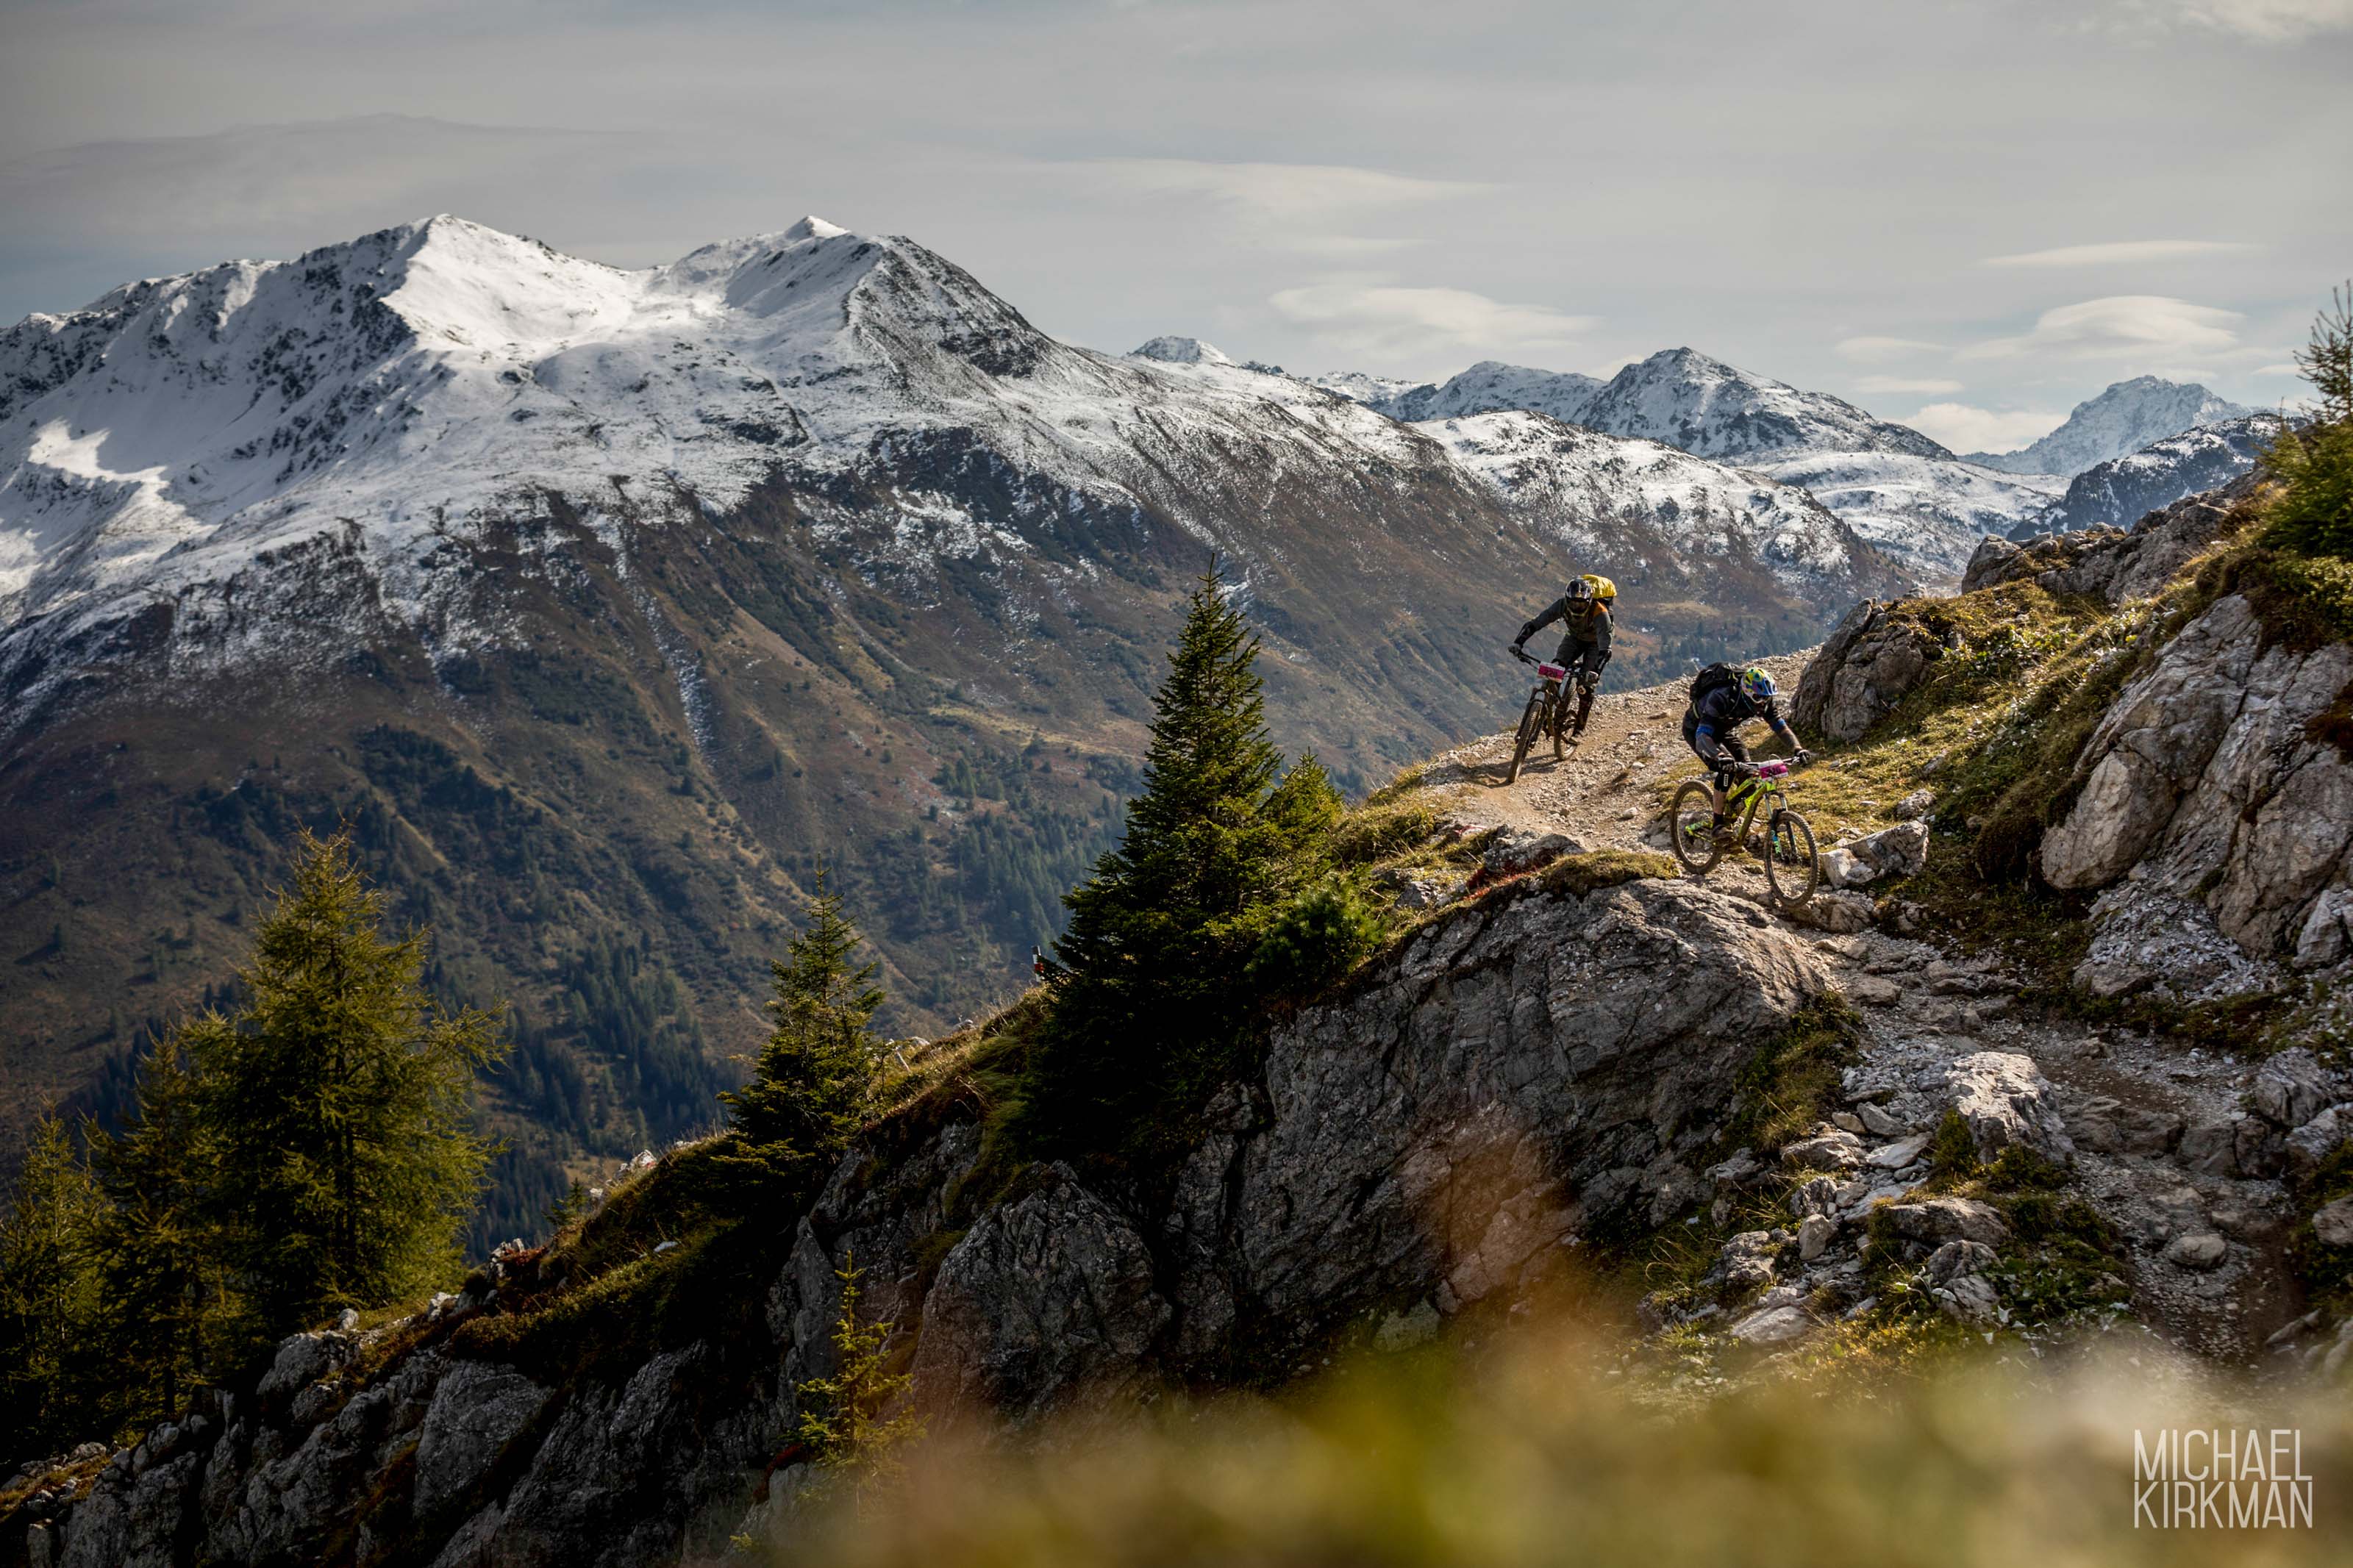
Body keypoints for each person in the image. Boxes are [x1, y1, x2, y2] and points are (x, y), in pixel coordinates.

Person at [1684, 664, 1812, 844]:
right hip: (1698, 729)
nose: (1764, 703)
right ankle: (1718, 825)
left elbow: (1780, 727)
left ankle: (1731, 816)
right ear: (1747, 691)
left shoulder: (1764, 702)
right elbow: (1702, 735)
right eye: (1760, 698)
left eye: (1767, 698)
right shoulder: (1721, 697)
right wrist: (1720, 757)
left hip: (1723, 731)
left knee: (1750, 778)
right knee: (1727, 769)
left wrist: (1798, 749)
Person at [1512, 573, 1615, 738]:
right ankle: (1546, 709)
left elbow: (1605, 649)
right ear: (1567, 600)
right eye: (1573, 603)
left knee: (1585, 688)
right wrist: (1518, 642)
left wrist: (1594, 672)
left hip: (1595, 644)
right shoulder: (1562, 605)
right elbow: (1536, 623)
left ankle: (1579, 729)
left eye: (1581, 604)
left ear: (1589, 601)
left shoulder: (1600, 612)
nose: (1576, 607)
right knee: (1555, 669)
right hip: (1573, 638)